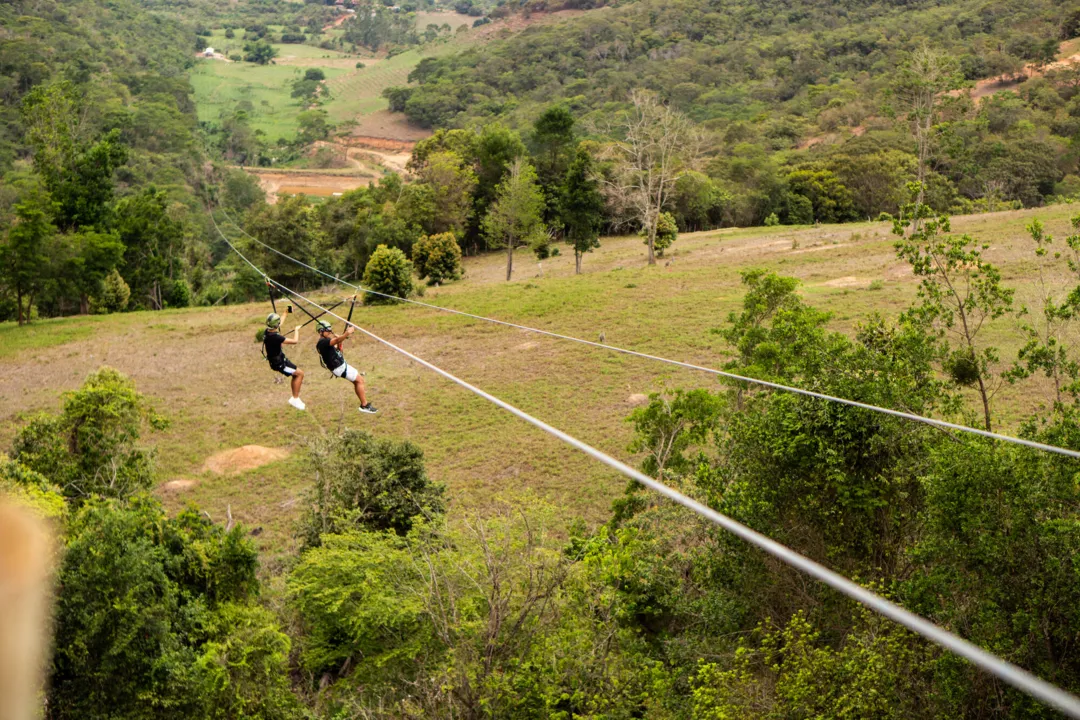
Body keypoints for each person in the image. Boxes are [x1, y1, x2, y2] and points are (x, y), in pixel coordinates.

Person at [315, 319, 377, 414]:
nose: (330, 332)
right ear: (321, 331)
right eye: (328, 330)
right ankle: (364, 405)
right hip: (339, 367)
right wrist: (347, 333)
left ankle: (364, 404)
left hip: (340, 366)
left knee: (357, 381)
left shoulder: (326, 342)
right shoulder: (322, 342)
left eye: (330, 330)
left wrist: (340, 342)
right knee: (360, 380)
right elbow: (336, 340)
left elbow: (337, 348)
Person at [263, 313, 306, 410]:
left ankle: (295, 398)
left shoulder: (267, 332)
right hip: (280, 363)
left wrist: (286, 312)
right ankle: (295, 399)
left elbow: (279, 323)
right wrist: (296, 330)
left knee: (297, 374)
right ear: (276, 325)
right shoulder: (276, 337)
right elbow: (295, 341)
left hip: (279, 360)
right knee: (300, 374)